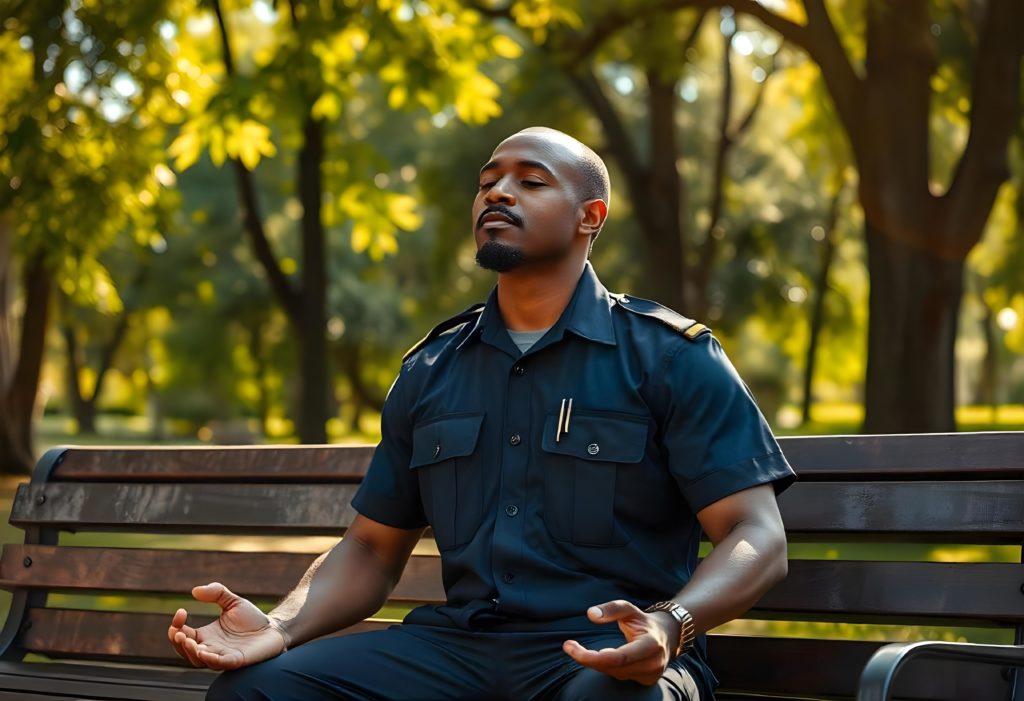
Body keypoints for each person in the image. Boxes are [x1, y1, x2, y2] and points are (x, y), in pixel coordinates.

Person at [168, 127, 796, 701]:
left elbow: (757, 537)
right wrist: (278, 627)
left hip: (610, 653)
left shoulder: (670, 357)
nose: (498, 192)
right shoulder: (432, 369)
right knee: (255, 693)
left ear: (590, 216)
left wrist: (669, 624)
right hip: (458, 649)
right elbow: (370, 547)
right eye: (488, 181)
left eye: (531, 181)